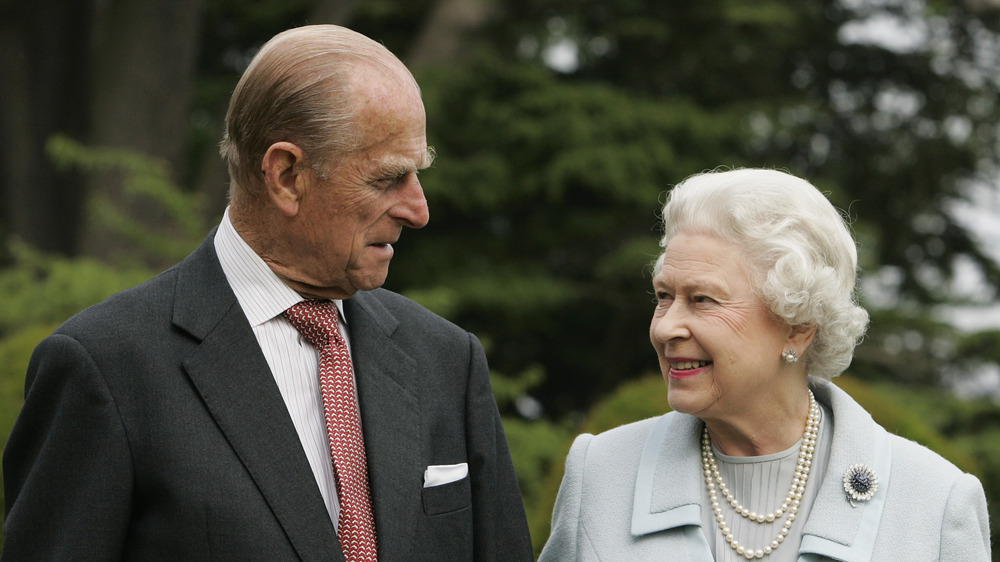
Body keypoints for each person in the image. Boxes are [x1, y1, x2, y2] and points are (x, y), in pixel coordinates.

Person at [2, 25, 533, 561]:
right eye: (387, 179)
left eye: (418, 175)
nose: (418, 211)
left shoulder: (446, 359)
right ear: (286, 175)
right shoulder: (106, 368)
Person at [539, 168, 991, 561]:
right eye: (663, 297)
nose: (665, 328)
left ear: (797, 327)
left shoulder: (934, 501)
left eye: (702, 299)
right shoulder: (599, 473)